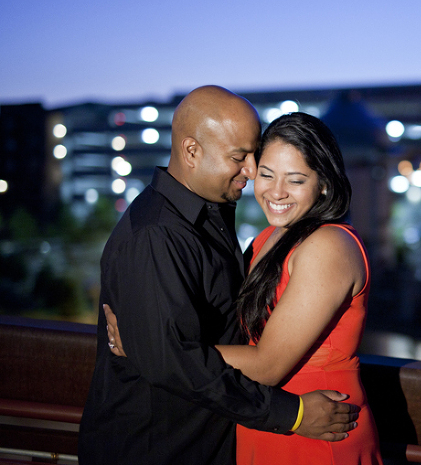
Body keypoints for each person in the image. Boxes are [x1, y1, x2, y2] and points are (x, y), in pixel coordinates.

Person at [79, 86, 359, 465]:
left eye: (253, 156)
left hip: (226, 437)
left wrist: (149, 350)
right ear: (192, 152)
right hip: (158, 449)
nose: (249, 170)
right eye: (240, 157)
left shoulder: (216, 216)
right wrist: (155, 353)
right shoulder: (157, 235)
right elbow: (171, 359)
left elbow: (192, 346)